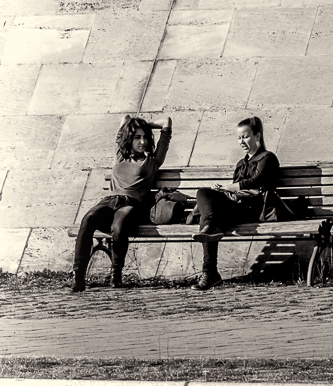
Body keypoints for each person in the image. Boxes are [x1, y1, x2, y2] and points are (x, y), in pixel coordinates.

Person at [70, 114, 172, 292]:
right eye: (137, 137)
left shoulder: (153, 161)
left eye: (145, 137)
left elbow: (166, 122)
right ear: (128, 138)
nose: (143, 142)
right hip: (109, 201)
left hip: (132, 205)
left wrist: (141, 125)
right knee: (88, 219)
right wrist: (133, 124)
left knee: (119, 226)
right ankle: (78, 276)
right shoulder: (120, 156)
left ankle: (116, 274)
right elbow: (125, 118)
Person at [187, 116, 279, 291]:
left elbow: (254, 181)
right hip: (236, 206)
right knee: (203, 195)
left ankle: (210, 272)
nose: (241, 141)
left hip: (253, 209)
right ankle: (210, 271)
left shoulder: (267, 158)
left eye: (245, 136)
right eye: (239, 138)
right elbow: (236, 190)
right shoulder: (241, 163)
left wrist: (225, 188)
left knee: (209, 220)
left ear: (257, 136)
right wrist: (226, 192)